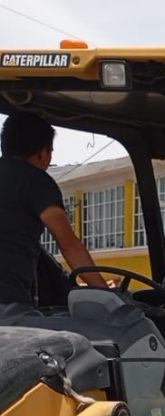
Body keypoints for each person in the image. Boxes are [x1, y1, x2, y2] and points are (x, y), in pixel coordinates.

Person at [0, 112, 107, 306]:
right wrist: (107, 295)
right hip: (8, 306)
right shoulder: (35, 180)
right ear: (43, 153)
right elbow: (69, 246)